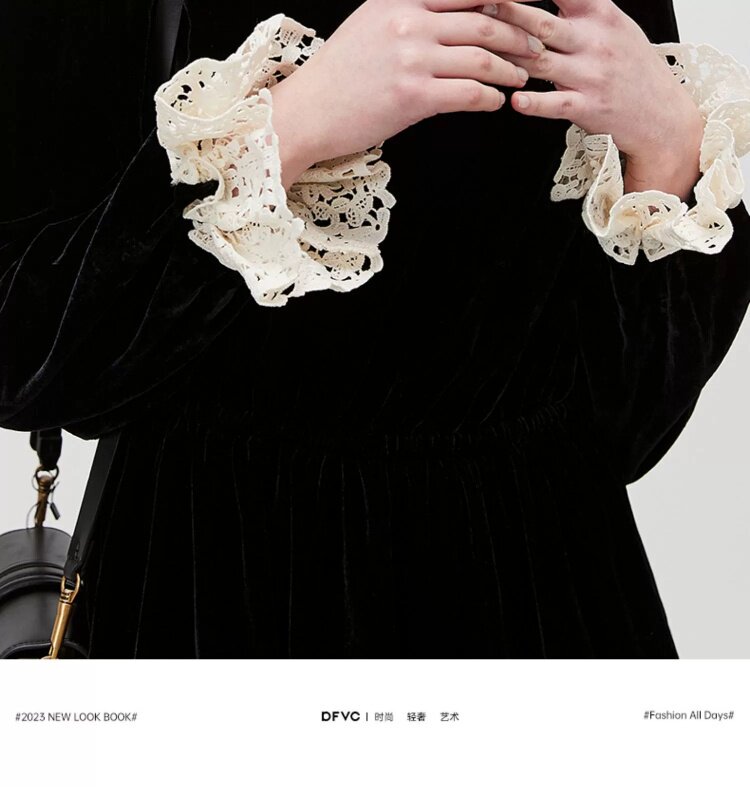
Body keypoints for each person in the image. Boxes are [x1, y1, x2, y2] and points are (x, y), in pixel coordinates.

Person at [2, 0, 749, 658]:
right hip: (213, 577)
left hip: (541, 588)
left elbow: (626, 426)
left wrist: (666, 148)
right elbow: (22, 347)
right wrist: (285, 131)